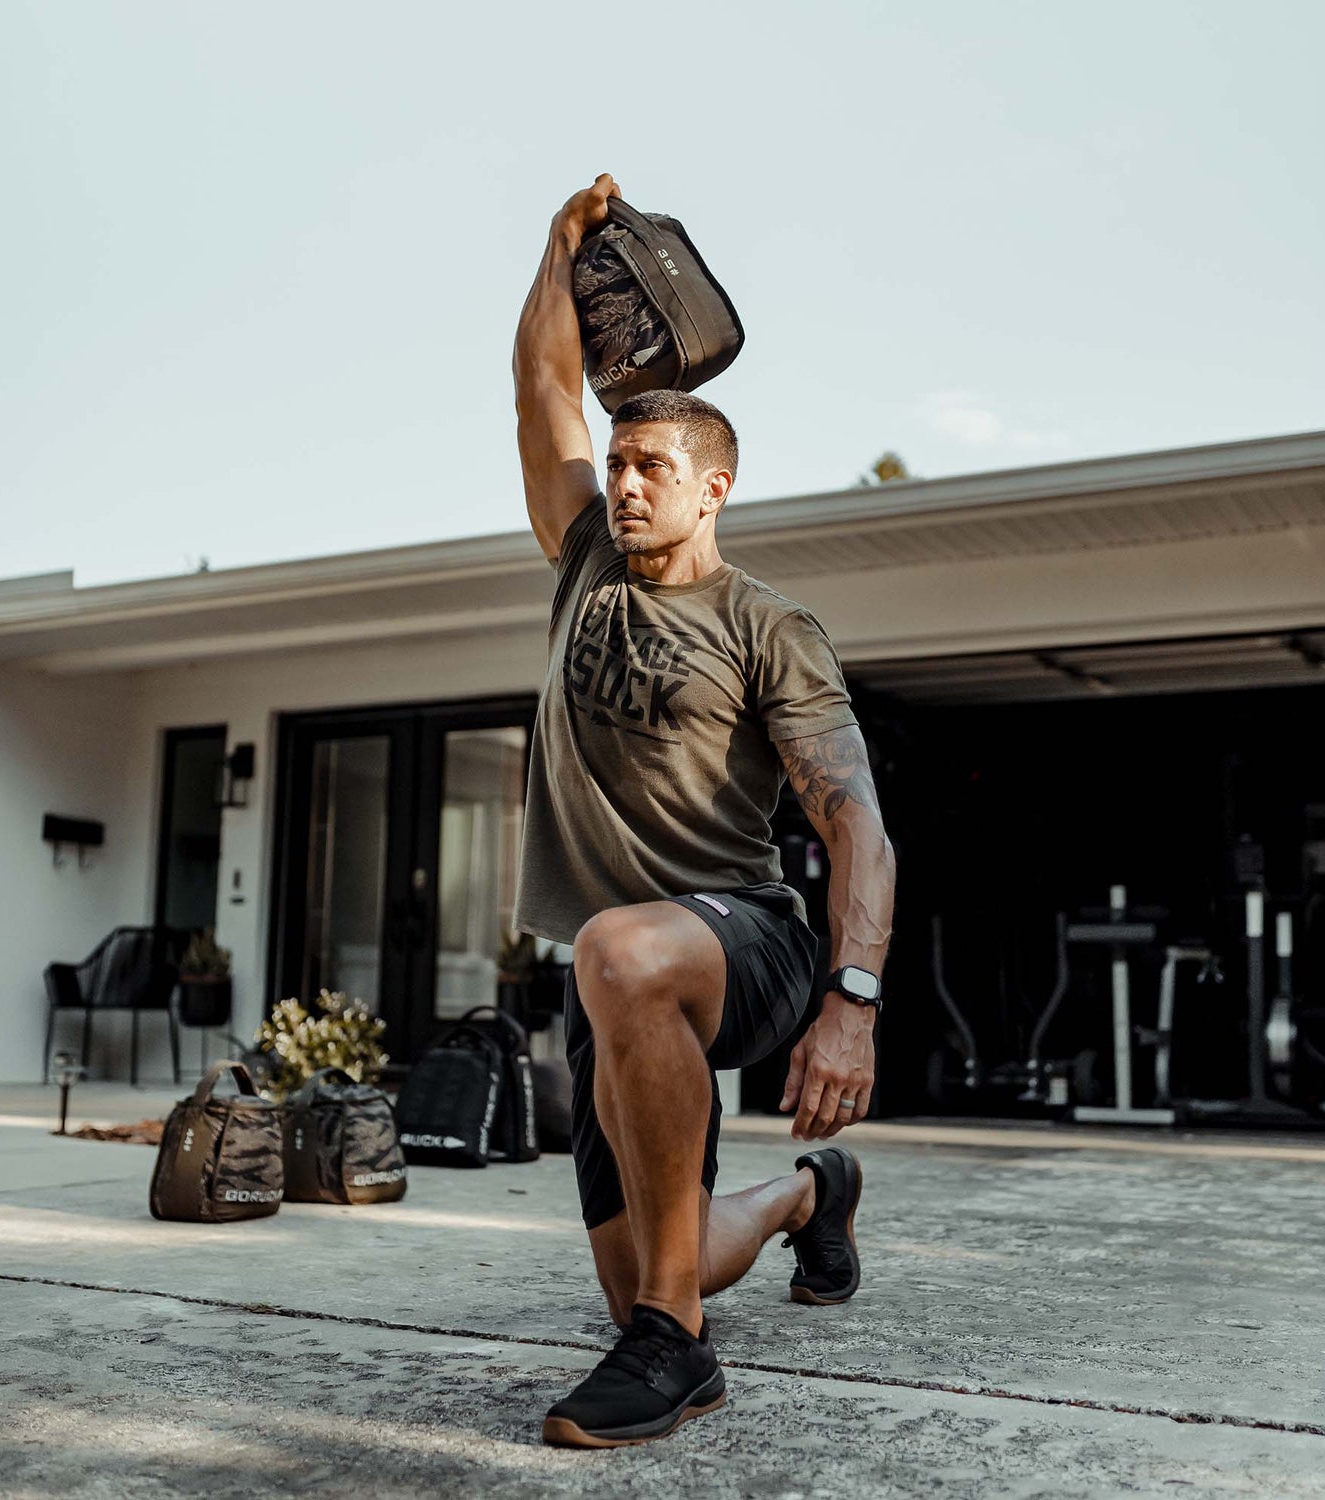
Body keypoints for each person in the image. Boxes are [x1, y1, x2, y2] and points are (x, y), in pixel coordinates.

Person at [512, 173, 897, 1449]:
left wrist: (850, 1002)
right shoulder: (582, 566)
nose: (622, 484)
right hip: (626, 977)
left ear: (714, 488)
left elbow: (857, 823)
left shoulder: (765, 627)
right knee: (654, 1259)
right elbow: (542, 390)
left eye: (651, 467)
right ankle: (803, 1198)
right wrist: (559, 249)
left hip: (750, 941)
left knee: (616, 942)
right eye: (616, 463)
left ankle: (677, 1357)